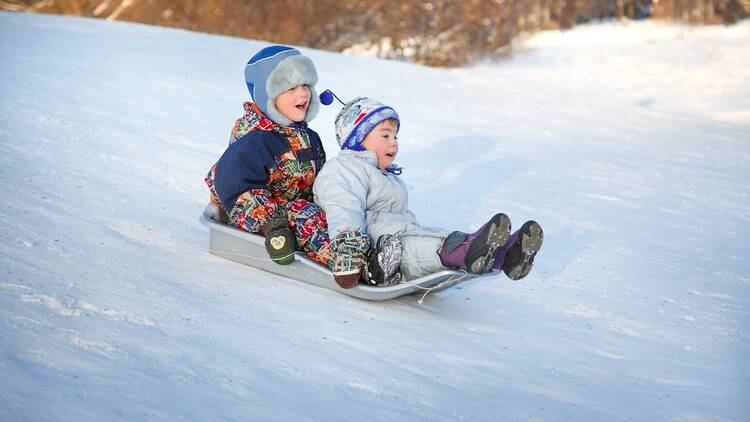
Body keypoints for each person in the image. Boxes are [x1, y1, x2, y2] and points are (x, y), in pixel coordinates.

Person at [313, 96, 543, 288]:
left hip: (400, 232)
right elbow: (342, 207)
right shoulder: (343, 168)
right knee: (421, 249)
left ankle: (505, 255)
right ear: (358, 140)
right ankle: (470, 250)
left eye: (395, 136)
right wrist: (350, 251)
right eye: (385, 136)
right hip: (378, 248)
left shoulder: (384, 174)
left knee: (438, 237)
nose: (394, 143)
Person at [205, 45, 330, 266]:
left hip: (298, 213)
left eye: (306, 85)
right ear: (267, 96)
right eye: (291, 88)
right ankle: (350, 264)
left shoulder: (309, 137)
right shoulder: (255, 140)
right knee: (307, 214)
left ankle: (369, 248)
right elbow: (238, 187)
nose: (303, 93)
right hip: (263, 223)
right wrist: (272, 224)